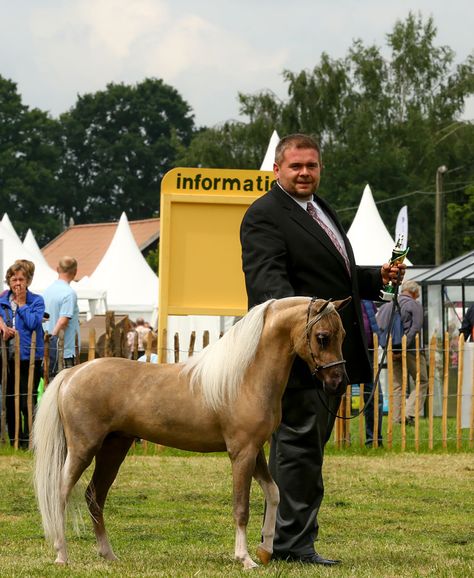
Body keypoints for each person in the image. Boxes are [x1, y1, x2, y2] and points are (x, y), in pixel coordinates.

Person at [240, 133, 405, 565]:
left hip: (330, 358)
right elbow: (268, 289)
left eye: (311, 165)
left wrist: (374, 277)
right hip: (298, 360)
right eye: (295, 166)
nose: (304, 173)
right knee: (296, 452)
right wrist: (311, 328)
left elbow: (336, 277)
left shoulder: (319, 209)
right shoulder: (264, 215)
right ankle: (290, 547)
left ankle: (294, 541)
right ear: (276, 169)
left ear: (320, 168)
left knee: (309, 454)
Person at [0, 260, 45, 448]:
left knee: (29, 398)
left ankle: (30, 440)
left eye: (21, 279)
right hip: (7, 358)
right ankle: (15, 440)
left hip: (30, 358)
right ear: (8, 281)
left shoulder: (36, 301)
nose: (17, 283)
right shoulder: (2, 299)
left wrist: (22, 304)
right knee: (11, 400)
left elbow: (34, 323)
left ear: (28, 281)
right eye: (13, 279)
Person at [376, 280, 428, 425]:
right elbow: (416, 328)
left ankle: (396, 418)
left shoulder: (386, 306)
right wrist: (404, 346)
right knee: (422, 380)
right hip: (411, 350)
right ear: (414, 292)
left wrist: (388, 348)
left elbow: (379, 328)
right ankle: (410, 412)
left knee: (397, 385)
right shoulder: (414, 305)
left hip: (391, 350)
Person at [42, 256, 80, 378]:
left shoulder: (47, 291)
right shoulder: (69, 293)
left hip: (47, 348)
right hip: (64, 351)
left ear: (57, 269)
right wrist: (52, 339)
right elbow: (63, 320)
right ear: (75, 272)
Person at [360, 299, 383, 447]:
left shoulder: (368, 300)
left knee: (374, 396)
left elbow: (374, 319)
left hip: (369, 352)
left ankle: (374, 439)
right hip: (348, 351)